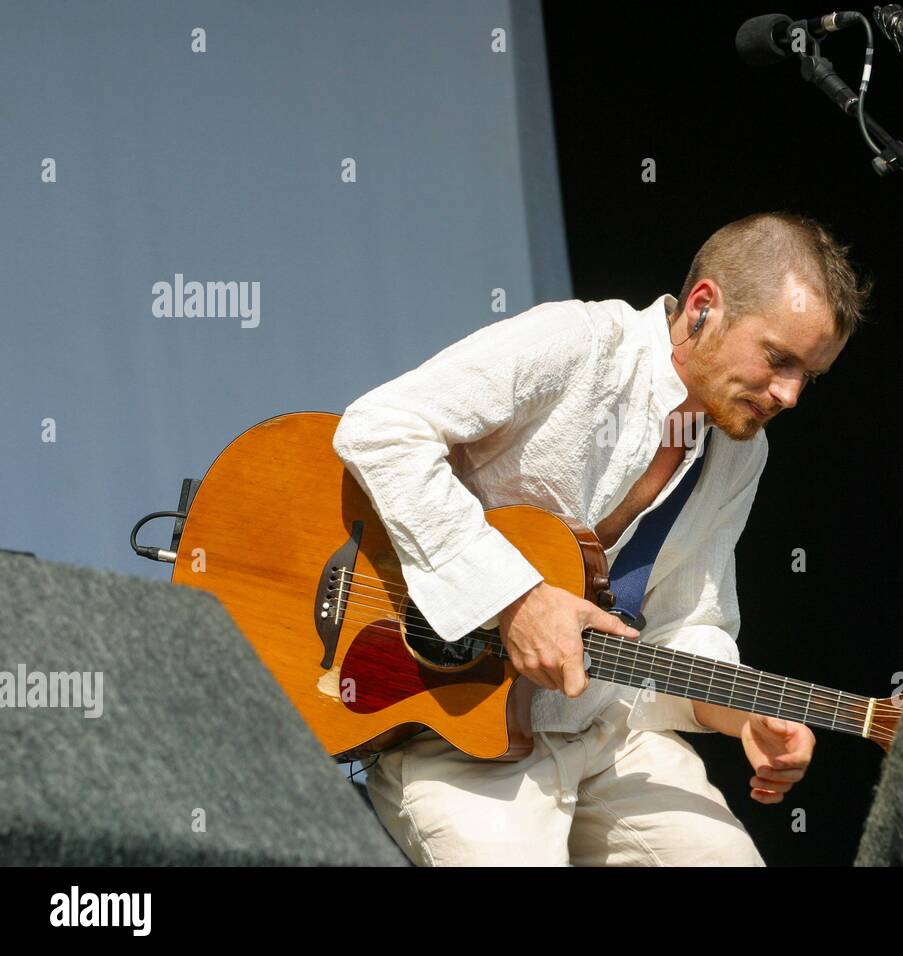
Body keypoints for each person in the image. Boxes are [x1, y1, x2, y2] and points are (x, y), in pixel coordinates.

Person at [331, 210, 870, 865]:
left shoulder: (739, 453)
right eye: (778, 359)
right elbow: (381, 428)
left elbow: (686, 626)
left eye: (807, 376)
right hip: (456, 734)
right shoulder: (577, 343)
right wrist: (515, 599)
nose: (789, 394)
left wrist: (741, 714)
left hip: (606, 732)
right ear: (704, 307)